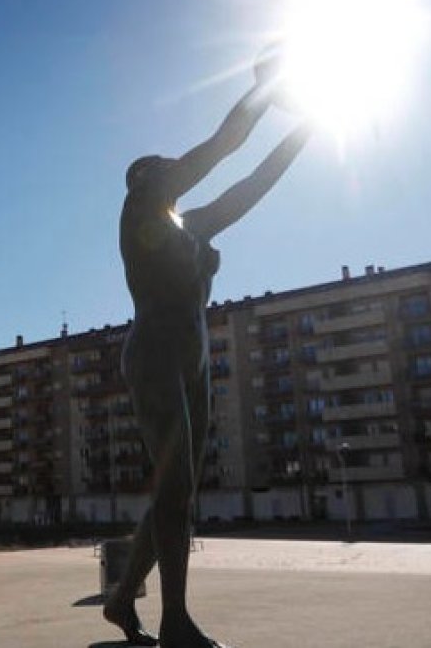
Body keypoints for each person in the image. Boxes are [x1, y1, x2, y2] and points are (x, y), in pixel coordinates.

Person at [106, 58, 311, 647]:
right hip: (154, 356)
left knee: (180, 493)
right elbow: (225, 144)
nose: (169, 168)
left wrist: (309, 127)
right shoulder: (138, 211)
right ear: (141, 181)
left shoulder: (192, 226)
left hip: (192, 363)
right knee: (173, 490)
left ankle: (122, 601)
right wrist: (267, 86)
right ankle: (174, 623)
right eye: (157, 168)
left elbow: (252, 185)